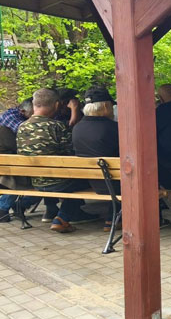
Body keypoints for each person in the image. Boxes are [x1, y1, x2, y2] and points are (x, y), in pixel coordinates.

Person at [1, 89, 98, 232]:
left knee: (60, 183)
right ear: (57, 105)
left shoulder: (21, 127)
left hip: (35, 181)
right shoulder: (57, 127)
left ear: (34, 104)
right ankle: (62, 218)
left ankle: (32, 206)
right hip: (59, 182)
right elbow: (71, 153)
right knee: (87, 180)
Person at [72, 87, 121, 229]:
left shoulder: (77, 128)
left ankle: (112, 219)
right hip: (114, 184)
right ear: (105, 106)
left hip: (88, 181)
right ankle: (113, 219)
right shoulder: (114, 128)